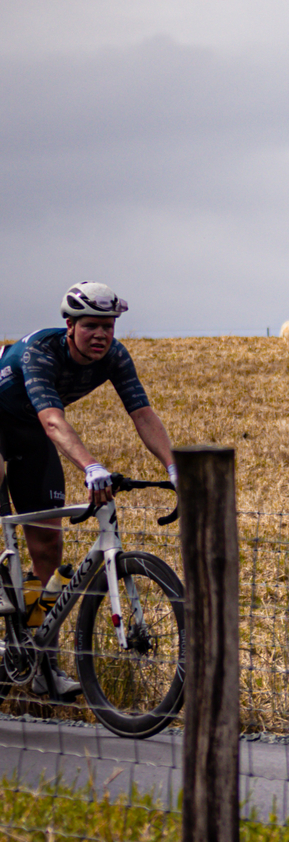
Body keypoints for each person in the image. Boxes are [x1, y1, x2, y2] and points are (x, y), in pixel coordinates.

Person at [0, 281, 181, 701]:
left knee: (47, 545)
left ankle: (43, 665)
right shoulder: (40, 352)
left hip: (28, 435)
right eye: (91, 326)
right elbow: (52, 421)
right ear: (69, 325)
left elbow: (142, 413)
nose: (101, 335)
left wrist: (173, 467)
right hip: (16, 424)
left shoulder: (115, 356)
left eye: (109, 326)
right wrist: (91, 466)